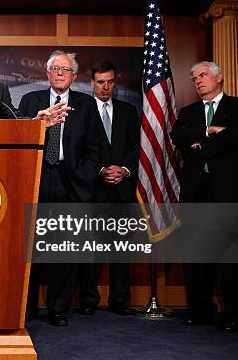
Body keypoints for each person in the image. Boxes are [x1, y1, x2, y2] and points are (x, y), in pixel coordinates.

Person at [19, 50, 100, 326]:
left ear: (74, 76)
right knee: (31, 247)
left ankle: (57, 308)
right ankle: (26, 307)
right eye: (56, 69)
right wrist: (37, 124)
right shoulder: (31, 101)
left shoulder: (86, 105)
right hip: (36, 177)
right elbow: (18, 138)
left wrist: (85, 175)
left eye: (66, 70)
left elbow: (95, 148)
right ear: (48, 73)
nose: (61, 73)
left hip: (71, 180)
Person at [170, 61, 238, 332]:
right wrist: (210, 133)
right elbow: (178, 137)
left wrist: (199, 145)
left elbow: (237, 139)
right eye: (194, 79)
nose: (198, 82)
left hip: (228, 192)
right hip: (196, 192)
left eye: (203, 76)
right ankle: (200, 310)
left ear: (219, 77)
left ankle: (232, 313)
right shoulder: (189, 111)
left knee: (229, 256)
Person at [90, 60, 139, 316]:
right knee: (91, 249)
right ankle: (89, 300)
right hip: (94, 190)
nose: (106, 87)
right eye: (101, 82)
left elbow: (135, 147)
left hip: (122, 188)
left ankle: (120, 300)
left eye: (110, 81)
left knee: (122, 248)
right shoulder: (83, 110)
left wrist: (124, 170)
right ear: (92, 83)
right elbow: (81, 148)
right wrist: (101, 170)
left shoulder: (129, 111)